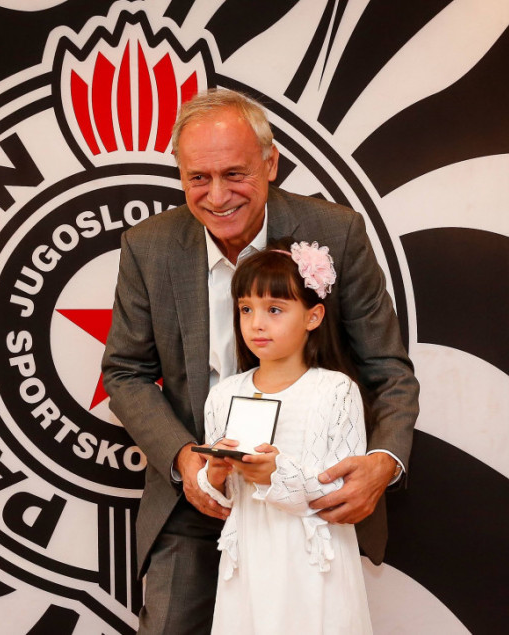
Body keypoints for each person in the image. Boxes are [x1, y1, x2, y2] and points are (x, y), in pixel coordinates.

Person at [102, 88, 419, 634]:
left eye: (235, 174)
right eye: (198, 177)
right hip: (197, 495)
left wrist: (384, 461)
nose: (217, 195)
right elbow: (124, 372)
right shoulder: (148, 246)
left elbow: (388, 370)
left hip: (308, 505)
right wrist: (185, 460)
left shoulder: (336, 234)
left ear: (270, 163)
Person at [198, 241, 373, 634]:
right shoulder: (223, 394)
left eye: (274, 309)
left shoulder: (335, 391)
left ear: (313, 316)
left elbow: (342, 490)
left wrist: (278, 474)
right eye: (246, 309)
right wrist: (215, 473)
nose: (256, 323)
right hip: (249, 563)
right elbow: (220, 498)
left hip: (315, 564)